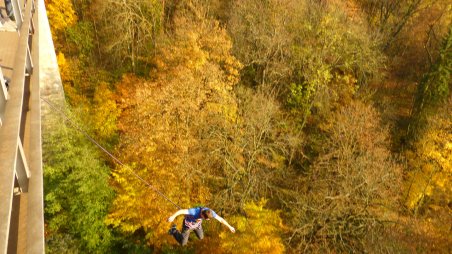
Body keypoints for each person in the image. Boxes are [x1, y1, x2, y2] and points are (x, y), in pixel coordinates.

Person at [167, 207, 235, 246]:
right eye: (206, 219)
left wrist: (230, 226)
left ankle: (195, 228)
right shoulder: (194, 211)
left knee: (201, 237)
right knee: (183, 243)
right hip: (188, 225)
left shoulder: (210, 212)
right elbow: (181, 211)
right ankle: (174, 230)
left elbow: (221, 219)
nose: (207, 220)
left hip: (197, 225)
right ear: (202, 215)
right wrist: (173, 216)